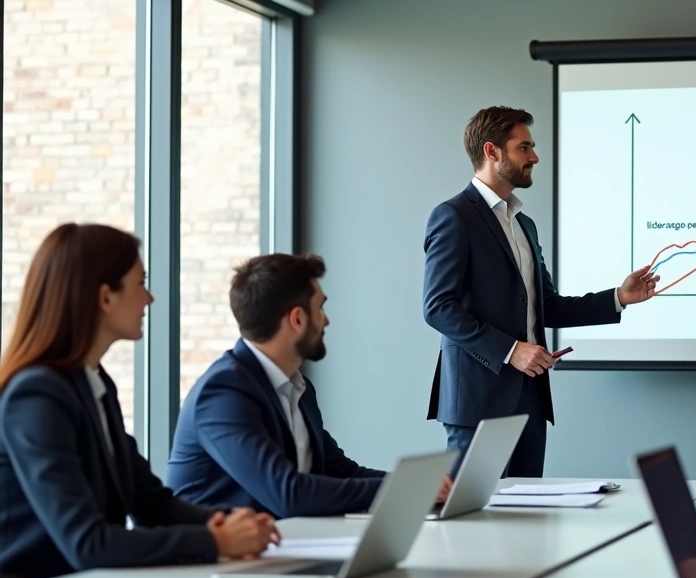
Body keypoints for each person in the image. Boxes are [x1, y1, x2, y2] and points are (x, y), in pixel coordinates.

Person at [0, 224, 278, 578]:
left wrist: (229, 522)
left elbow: (151, 504)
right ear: (105, 297)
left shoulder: (94, 384)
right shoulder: (36, 397)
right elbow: (89, 544)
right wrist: (216, 540)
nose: (150, 298)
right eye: (140, 283)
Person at [423, 106, 659, 477]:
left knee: (527, 522)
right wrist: (511, 351)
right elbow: (438, 308)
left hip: (530, 399)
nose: (534, 157)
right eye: (524, 147)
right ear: (492, 151)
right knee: (473, 524)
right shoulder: (453, 216)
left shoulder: (524, 225)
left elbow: (545, 306)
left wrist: (618, 297)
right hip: (477, 403)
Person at [167, 253, 451, 518]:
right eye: (321, 307)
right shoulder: (223, 393)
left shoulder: (297, 387)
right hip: (208, 562)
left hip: (277, 548)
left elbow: (339, 472)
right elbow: (289, 493)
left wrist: (420, 485)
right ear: (298, 319)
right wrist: (407, 490)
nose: (326, 320)